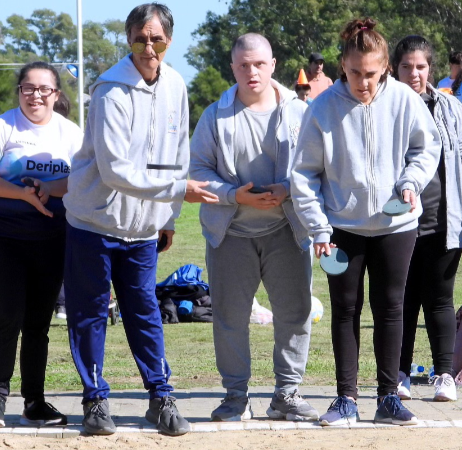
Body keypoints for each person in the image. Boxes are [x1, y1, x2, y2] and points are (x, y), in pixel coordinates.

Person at [62, 3, 218, 437]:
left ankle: (160, 396)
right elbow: (114, 171)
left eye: (157, 38)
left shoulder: (177, 85)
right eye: (140, 38)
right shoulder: (110, 90)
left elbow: (178, 156)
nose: (148, 46)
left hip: (145, 229)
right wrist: (177, 191)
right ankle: (95, 400)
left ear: (169, 40)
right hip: (94, 223)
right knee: (90, 314)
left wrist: (169, 215)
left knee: (145, 312)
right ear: (128, 39)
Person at [291, 18, 441, 427]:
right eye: (355, 73)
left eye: (372, 74)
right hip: (341, 227)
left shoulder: (406, 102)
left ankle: (389, 398)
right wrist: (319, 228)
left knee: (391, 307)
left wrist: (410, 182)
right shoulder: (322, 108)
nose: (363, 82)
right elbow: (303, 174)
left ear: (387, 67)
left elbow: (426, 149)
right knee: (344, 309)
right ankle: (345, 399)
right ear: (343, 65)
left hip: (397, 226)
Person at [190, 33, 318, 423]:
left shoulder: (301, 112)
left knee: (295, 314)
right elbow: (196, 172)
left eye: (259, 64)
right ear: (233, 68)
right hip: (230, 234)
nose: (251, 72)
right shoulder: (215, 115)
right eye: (243, 65)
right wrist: (234, 195)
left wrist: (288, 190)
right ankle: (234, 397)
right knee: (230, 317)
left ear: (273, 65)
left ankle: (287, 394)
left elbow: (318, 168)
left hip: (287, 229)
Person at [0, 61, 81, 430]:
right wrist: (22, 194)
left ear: (56, 95)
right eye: (27, 88)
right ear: (19, 92)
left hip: (52, 237)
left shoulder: (71, 134)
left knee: (38, 324)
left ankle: (34, 402)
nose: (35, 95)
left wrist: (48, 190)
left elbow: (80, 180)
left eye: (44, 89)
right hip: (3, 236)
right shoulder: (1, 126)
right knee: (7, 317)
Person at [392, 36, 462, 402]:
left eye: (420, 67)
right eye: (406, 66)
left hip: (444, 221)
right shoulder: (383, 106)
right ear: (394, 69)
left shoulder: (449, 107)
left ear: (429, 69)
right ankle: (398, 373)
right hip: (397, 223)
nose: (414, 73)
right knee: (401, 301)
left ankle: (445, 374)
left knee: (439, 299)